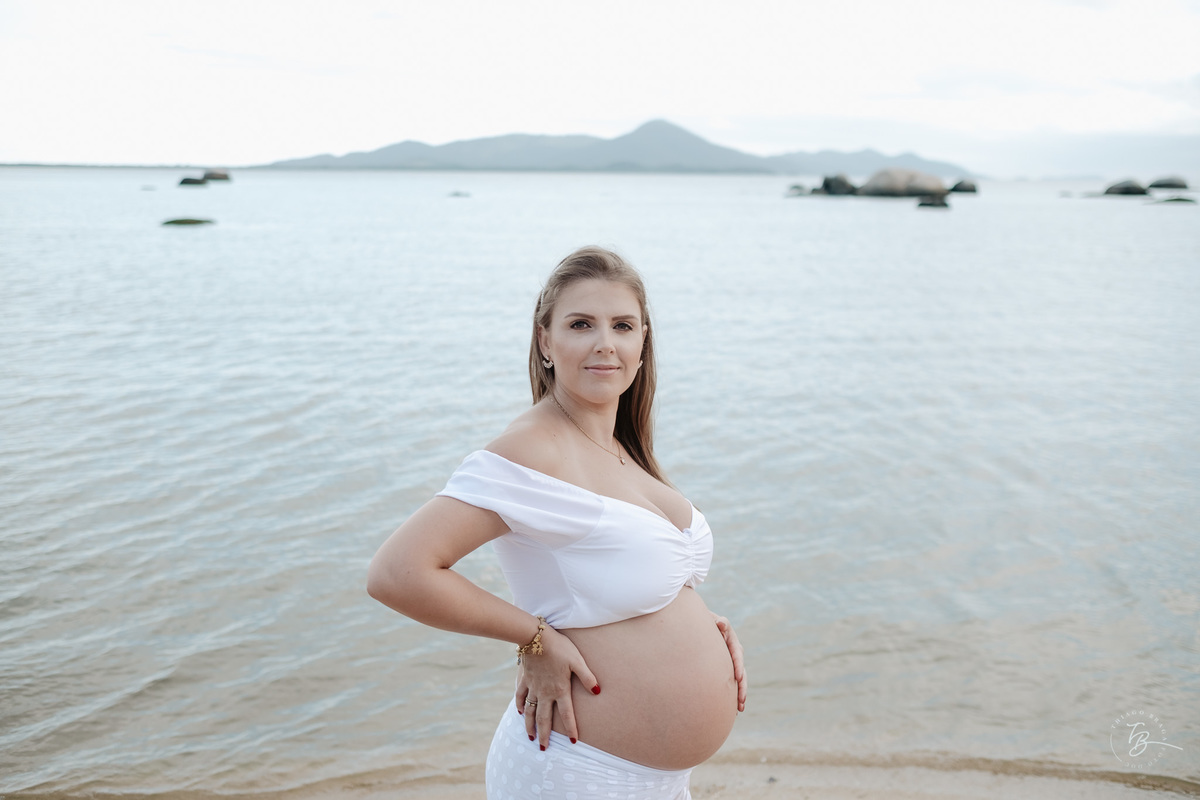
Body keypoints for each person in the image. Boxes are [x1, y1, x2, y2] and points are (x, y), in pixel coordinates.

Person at [367, 246, 747, 800]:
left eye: (623, 325)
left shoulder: (624, 450)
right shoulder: (531, 448)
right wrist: (534, 638)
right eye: (580, 324)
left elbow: (606, 575)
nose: (605, 343)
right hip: (576, 772)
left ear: (643, 343)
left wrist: (696, 618)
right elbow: (398, 573)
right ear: (545, 341)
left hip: (654, 779)